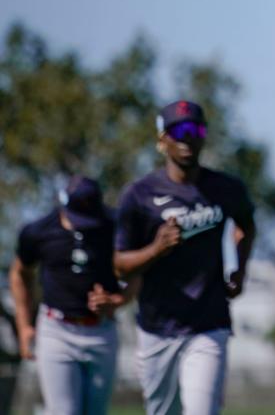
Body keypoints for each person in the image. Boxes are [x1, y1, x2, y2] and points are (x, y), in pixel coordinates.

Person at [114, 100, 256, 415]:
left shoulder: (226, 188)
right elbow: (119, 263)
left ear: (204, 136)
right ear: (162, 140)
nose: (187, 138)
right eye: (178, 131)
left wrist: (240, 269)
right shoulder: (139, 195)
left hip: (208, 324)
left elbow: (246, 225)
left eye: (195, 129)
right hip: (156, 327)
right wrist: (156, 249)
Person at [9, 175, 132, 415]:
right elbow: (19, 274)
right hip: (57, 331)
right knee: (64, 411)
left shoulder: (114, 225)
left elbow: (137, 274)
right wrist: (24, 327)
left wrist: (118, 300)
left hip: (102, 331)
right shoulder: (38, 232)